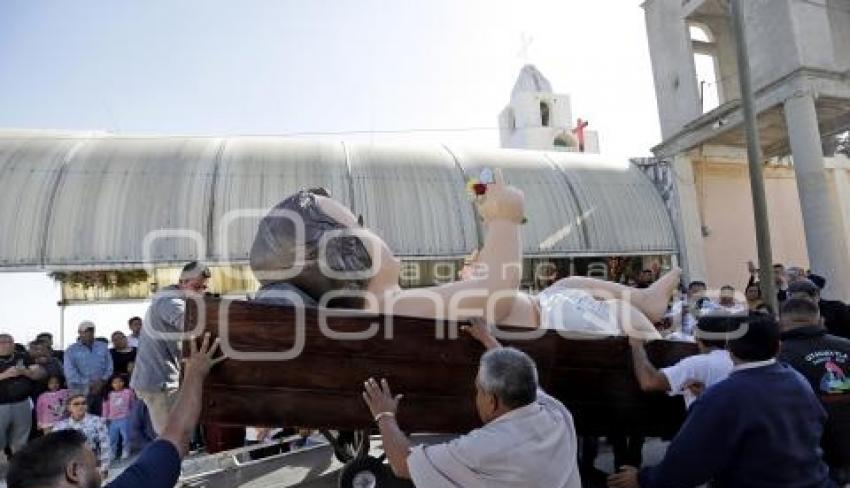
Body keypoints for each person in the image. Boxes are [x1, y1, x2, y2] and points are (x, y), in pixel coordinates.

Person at [250, 180, 679, 337]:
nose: (375, 231)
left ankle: (645, 300)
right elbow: (495, 293)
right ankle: (642, 308)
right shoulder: (389, 305)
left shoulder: (388, 306)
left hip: (551, 313)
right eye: (361, 226)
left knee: (567, 286)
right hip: (562, 327)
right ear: (343, 257)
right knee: (620, 317)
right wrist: (506, 219)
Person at [608, 315, 848, 488]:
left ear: (730, 349)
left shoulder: (723, 397)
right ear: (778, 347)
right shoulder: (795, 380)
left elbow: (687, 464)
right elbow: (818, 429)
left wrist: (642, 479)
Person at [361, 318, 594, 488]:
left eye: (478, 391)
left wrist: (384, 415)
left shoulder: (482, 452)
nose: (476, 398)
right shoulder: (557, 414)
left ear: (492, 401)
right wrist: (488, 339)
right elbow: (520, 379)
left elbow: (401, 464)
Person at [0, 334, 225, 488]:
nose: (99, 471)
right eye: (93, 464)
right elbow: (177, 433)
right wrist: (196, 371)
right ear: (73, 472)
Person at [131, 261, 210, 434]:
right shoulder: (169, 300)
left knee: (173, 434)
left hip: (161, 380)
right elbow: (189, 324)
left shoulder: (174, 299)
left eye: (203, 288)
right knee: (171, 436)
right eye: (196, 287)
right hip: (159, 382)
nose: (200, 292)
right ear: (182, 282)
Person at [778, 298, 850, 487]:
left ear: (781, 322)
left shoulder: (778, 356)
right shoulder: (846, 346)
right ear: (820, 320)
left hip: (806, 454)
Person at [630, 315, 734, 408]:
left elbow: (649, 382)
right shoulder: (739, 362)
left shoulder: (697, 364)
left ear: (697, 338)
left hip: (704, 427)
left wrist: (636, 345)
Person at [1, 333, 46, 456]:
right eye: (2, 342)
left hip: (22, 403)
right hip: (1, 405)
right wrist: (6, 375)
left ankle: (16, 469)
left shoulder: (23, 357)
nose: (6, 345)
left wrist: (25, 372)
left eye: (9, 342)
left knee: (20, 440)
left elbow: (40, 374)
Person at [53, 393, 111, 478]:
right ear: (69, 407)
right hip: (71, 469)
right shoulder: (60, 426)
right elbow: (55, 450)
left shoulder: (97, 421)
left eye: (83, 403)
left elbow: (105, 446)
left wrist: (104, 468)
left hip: (94, 466)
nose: (81, 406)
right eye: (76, 404)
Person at [63, 321, 113, 414]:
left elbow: (109, 366)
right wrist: (89, 384)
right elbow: (70, 372)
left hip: (101, 390)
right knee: (81, 421)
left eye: (91, 330)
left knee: (101, 419)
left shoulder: (103, 347)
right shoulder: (71, 350)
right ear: (79, 332)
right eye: (86, 331)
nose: (89, 333)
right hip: (80, 392)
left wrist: (102, 381)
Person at [102, 374, 136, 460]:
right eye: (115, 382)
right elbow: (105, 407)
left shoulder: (128, 392)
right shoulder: (109, 394)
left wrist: (133, 415)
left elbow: (133, 404)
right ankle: (112, 452)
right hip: (113, 420)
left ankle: (126, 450)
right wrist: (104, 418)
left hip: (125, 418)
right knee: (112, 437)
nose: (118, 384)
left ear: (124, 382)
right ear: (111, 384)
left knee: (126, 436)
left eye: (120, 381)